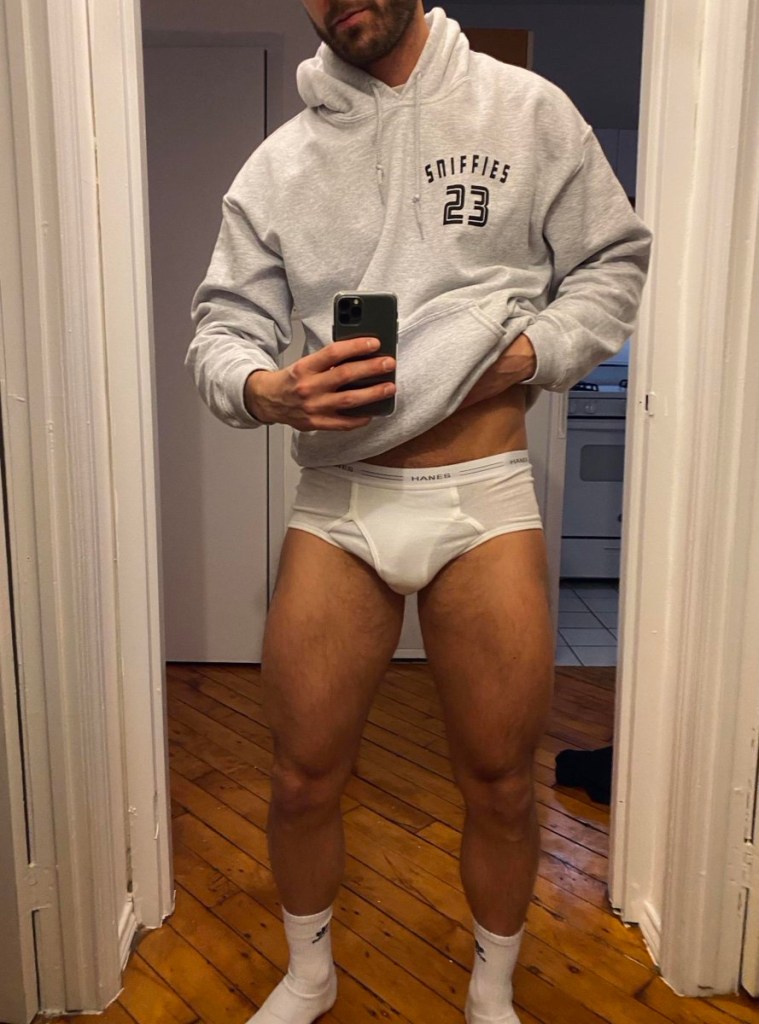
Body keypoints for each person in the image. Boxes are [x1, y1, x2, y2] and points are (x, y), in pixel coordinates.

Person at [185, 2, 652, 1021]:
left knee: (500, 780)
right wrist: (265, 389)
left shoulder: (526, 110)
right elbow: (220, 326)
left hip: (483, 496)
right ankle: (310, 976)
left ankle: (492, 992)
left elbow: (612, 262)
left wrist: (531, 354)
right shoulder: (278, 165)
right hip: (340, 499)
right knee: (301, 777)